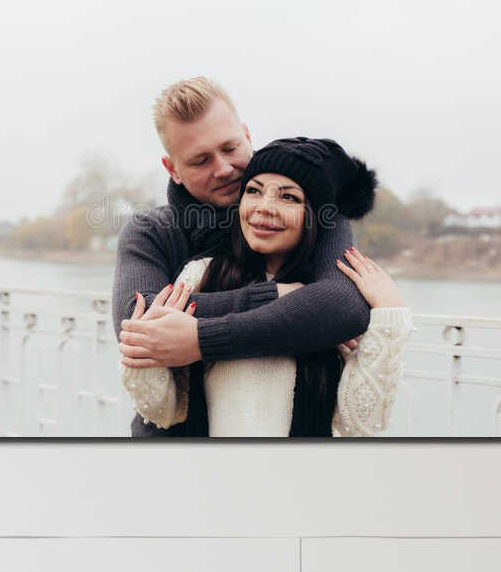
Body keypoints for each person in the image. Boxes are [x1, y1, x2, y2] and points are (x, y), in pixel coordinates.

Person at [111, 78, 372, 437]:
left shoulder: (312, 211)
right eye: (200, 160)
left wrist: (199, 339)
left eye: (230, 148)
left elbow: (343, 305)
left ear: (247, 135)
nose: (223, 168)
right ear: (172, 169)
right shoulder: (151, 231)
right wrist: (280, 296)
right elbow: (138, 326)